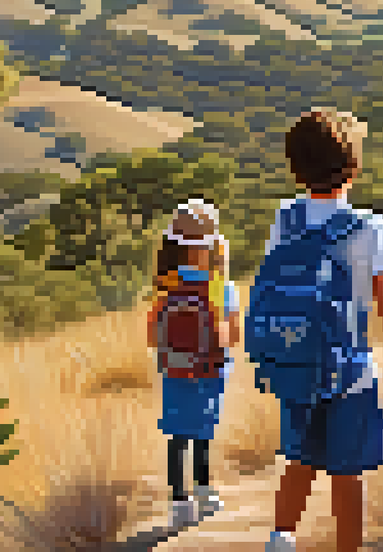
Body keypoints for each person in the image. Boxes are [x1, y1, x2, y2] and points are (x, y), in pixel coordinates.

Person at [263, 109, 383, 552]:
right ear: (353, 168)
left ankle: (280, 540)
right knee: (346, 472)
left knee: (298, 460)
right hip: (350, 372)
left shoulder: (285, 219)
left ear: (296, 169)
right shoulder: (369, 228)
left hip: (295, 365)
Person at [147, 199, 239, 527]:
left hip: (174, 369)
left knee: (177, 434)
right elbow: (233, 337)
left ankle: (178, 502)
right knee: (203, 431)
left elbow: (151, 336)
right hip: (211, 370)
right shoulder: (222, 287)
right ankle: (204, 491)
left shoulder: (164, 286)